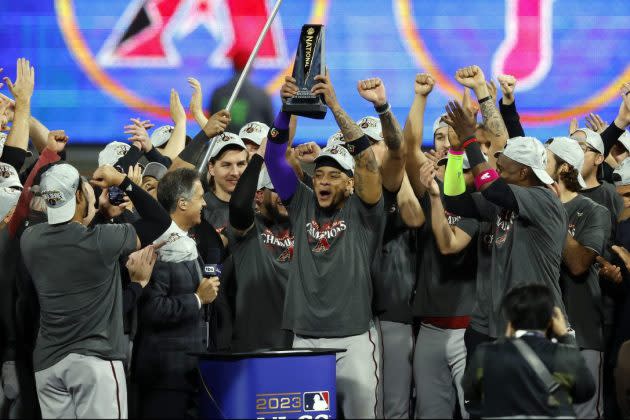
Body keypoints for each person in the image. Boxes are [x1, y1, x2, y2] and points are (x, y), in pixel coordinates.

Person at [265, 71, 406, 418]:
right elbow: (273, 158)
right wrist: (285, 111)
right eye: (319, 174)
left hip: (353, 341)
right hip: (305, 341)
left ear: (350, 184)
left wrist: (334, 104)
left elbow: (369, 163)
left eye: (333, 175)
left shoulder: (365, 211)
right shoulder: (301, 203)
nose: (323, 179)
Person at [20, 161, 170, 418]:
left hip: (47, 367)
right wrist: (122, 181)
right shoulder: (103, 241)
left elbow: (72, 238)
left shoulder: (30, 240)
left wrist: (100, 214)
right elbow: (159, 221)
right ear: (79, 195)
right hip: (94, 363)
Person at [441, 66, 568, 359]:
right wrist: (456, 152)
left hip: (536, 325)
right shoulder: (504, 201)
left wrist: (471, 139)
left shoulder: (543, 199)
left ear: (524, 172)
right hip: (493, 322)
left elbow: (491, 188)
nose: (496, 168)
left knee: (528, 404)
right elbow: (454, 200)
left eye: (503, 166)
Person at [404, 73, 480, 419]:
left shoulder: (479, 200)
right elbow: (406, 149)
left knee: (474, 412)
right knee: (429, 413)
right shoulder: (423, 186)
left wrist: (475, 101)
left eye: (452, 137)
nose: (445, 141)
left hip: (469, 325)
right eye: (440, 136)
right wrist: (419, 97)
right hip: (431, 326)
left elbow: (450, 246)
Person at [133, 168, 220, 419]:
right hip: (164, 376)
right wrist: (197, 299)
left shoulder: (187, 242)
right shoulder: (158, 247)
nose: (204, 202)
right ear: (182, 203)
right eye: (200, 197)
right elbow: (151, 309)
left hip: (189, 372)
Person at [546, 136, 611, 419]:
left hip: (581, 333)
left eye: (546, 159)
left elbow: (579, 264)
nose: (539, 163)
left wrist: (553, 210)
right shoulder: (534, 207)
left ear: (562, 169)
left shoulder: (595, 212)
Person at [462, 284, 595, 418]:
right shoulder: (564, 355)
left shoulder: (485, 354)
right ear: (551, 320)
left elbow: (470, 400)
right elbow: (586, 391)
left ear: (509, 320)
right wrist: (565, 337)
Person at [226, 137, 294, 351]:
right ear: (258, 195)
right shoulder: (248, 228)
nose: (283, 195)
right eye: (275, 189)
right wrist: (257, 160)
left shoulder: (303, 224)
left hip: (300, 341)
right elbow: (237, 205)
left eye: (287, 189)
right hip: (255, 342)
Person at [209, 48, 274, 133]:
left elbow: (211, 125)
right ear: (251, 66)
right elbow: (272, 129)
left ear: (233, 65)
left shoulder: (218, 93)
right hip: (253, 145)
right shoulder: (261, 95)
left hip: (223, 144)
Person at [203, 133, 248, 236]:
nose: (235, 172)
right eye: (226, 165)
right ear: (211, 168)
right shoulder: (200, 209)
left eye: (241, 164)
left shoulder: (258, 206)